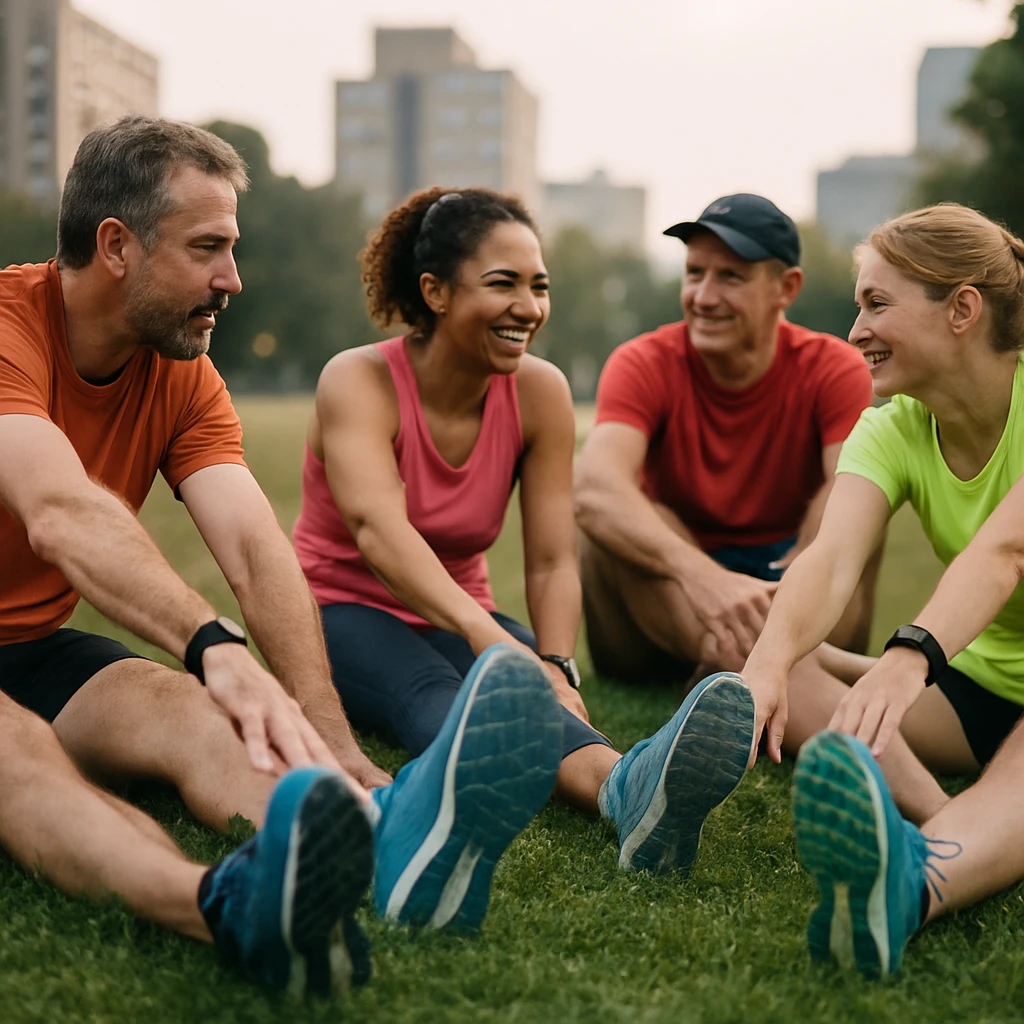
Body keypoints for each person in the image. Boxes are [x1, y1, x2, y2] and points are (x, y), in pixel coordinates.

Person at [0, 116, 564, 995]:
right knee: (14, 751)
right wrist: (214, 641)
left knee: (194, 711)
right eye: (207, 248)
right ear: (116, 245)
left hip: (28, 648)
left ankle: (383, 835)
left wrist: (330, 737)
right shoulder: (8, 330)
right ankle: (221, 906)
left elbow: (259, 552)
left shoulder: (181, 369)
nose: (233, 279)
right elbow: (61, 513)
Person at [294, 186, 758, 877]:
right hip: (340, 606)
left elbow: (550, 560)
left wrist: (556, 660)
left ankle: (631, 791)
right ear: (436, 291)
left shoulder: (539, 393)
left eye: (539, 287)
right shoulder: (358, 379)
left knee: (528, 687)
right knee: (442, 694)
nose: (529, 308)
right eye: (503, 284)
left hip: (457, 608)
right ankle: (619, 788)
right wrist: (494, 642)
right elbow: (378, 534)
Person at [740, 203, 1024, 977]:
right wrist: (766, 667)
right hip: (985, 682)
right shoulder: (893, 426)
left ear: (962, 309)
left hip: (950, 665)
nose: (855, 330)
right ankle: (953, 822)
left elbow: (1008, 550)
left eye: (877, 304)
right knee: (778, 652)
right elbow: (830, 561)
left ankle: (914, 885)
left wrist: (908, 657)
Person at [575, 194, 877, 684]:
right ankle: (765, 668)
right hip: (666, 601)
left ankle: (733, 668)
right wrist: (705, 579)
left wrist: (791, 588)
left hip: (785, 571)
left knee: (858, 499)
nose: (704, 296)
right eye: (695, 273)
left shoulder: (832, 367)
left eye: (730, 277)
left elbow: (847, 491)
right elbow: (593, 489)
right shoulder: (642, 362)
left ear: (787, 288)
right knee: (614, 517)